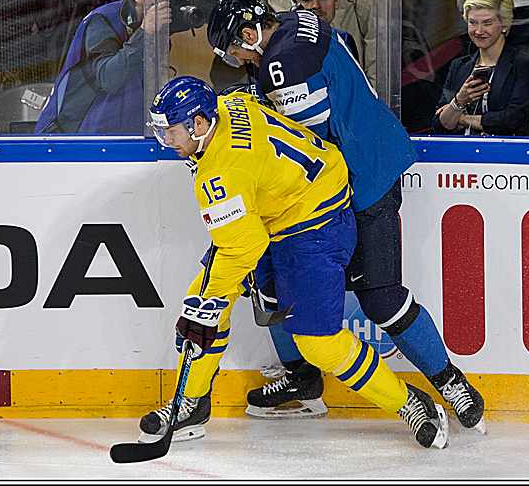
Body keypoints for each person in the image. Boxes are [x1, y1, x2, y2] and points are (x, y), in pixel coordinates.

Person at [206, 0, 486, 433]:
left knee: (380, 298)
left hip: (359, 184)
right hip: (365, 162)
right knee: (276, 286)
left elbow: (309, 145)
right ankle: (302, 380)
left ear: (248, 32)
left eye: (234, 50)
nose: (238, 60)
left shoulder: (282, 68)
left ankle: (448, 380)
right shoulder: (298, 21)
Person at [141, 75, 449, 450]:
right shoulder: (229, 105)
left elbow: (244, 247)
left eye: (171, 131)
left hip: (316, 224)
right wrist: (210, 300)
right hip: (290, 205)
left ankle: (410, 403)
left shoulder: (220, 173)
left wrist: (211, 302)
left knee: (318, 342)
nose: (166, 140)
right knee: (203, 301)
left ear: (199, 124)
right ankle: (191, 404)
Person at [34, 0, 175, 134]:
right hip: (72, 136)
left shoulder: (156, 27)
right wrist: (145, 33)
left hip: (121, 131)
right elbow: (109, 79)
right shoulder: (103, 21)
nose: (168, 2)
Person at [432, 0, 529, 135]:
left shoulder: (523, 64)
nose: (479, 31)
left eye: (487, 23)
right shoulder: (459, 66)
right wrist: (459, 101)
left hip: (507, 154)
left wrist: (461, 119)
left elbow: (512, 120)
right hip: (464, 154)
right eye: (473, 22)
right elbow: (439, 126)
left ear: (505, 24)